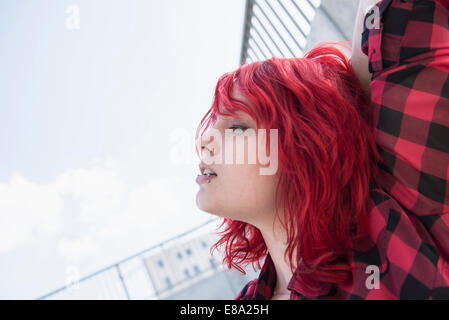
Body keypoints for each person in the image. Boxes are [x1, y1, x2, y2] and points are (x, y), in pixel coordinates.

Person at [195, 0, 449, 299]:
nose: (203, 141)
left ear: (304, 147)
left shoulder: (395, 217)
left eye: (237, 127)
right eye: (214, 123)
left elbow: (405, 23)